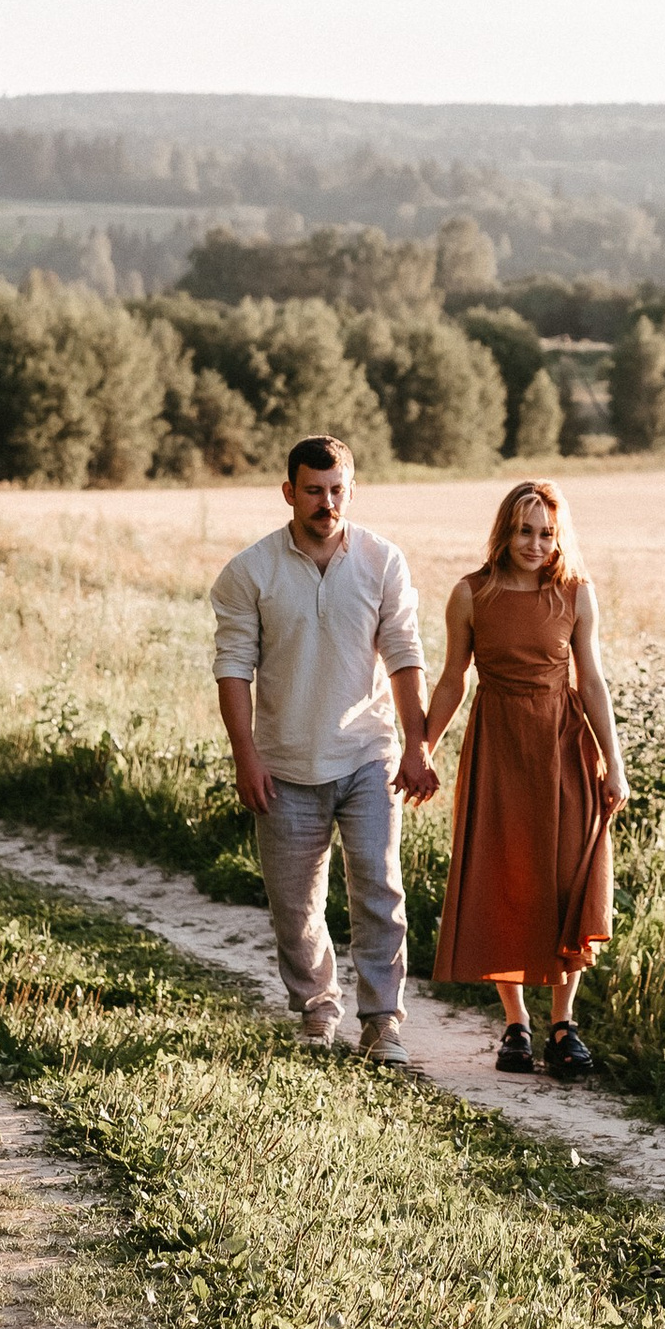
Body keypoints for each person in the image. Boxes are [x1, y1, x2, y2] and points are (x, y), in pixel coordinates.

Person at [210, 436, 437, 1065]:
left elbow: (405, 656)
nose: (326, 502)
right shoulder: (249, 572)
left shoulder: (382, 561)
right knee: (295, 902)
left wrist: (416, 746)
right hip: (283, 763)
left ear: (352, 491)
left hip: (368, 754)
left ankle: (383, 1020)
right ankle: (316, 1008)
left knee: (378, 888)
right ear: (289, 492)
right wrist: (245, 755)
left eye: (337, 490)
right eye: (313, 490)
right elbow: (233, 669)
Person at [424, 477, 628, 1079]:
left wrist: (613, 763)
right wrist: (424, 748)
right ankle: (515, 1023)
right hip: (499, 748)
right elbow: (453, 679)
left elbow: (591, 682)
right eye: (524, 531)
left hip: (563, 748)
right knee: (503, 877)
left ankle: (564, 1025)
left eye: (547, 533)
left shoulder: (575, 594)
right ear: (505, 532)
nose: (536, 544)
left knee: (564, 879)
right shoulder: (471, 594)